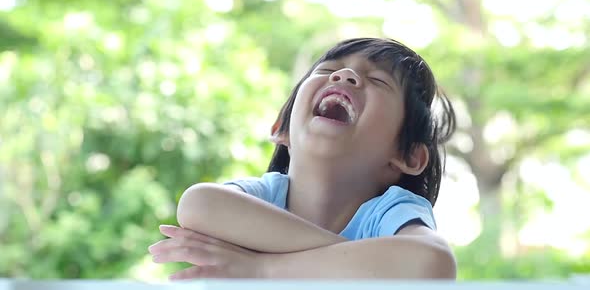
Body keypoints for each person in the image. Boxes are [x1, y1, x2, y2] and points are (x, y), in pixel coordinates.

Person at [148, 37, 457, 279]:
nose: (345, 75)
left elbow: (433, 262)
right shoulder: (266, 196)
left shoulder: (389, 213)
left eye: (378, 80)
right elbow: (199, 205)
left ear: (408, 156)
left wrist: (263, 270)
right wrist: (367, 265)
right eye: (327, 70)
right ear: (282, 130)